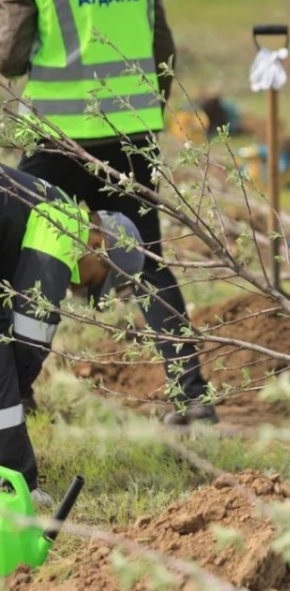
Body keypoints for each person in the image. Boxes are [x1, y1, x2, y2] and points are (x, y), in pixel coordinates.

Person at [0, 0, 217, 424]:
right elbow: (162, 50)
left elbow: (9, 55)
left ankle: (16, 394)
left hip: (56, 133)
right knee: (148, 267)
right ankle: (191, 395)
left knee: (21, 251)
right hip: (129, 133)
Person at [0, 164, 144, 502]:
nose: (78, 288)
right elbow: (30, 334)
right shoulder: (64, 224)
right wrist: (16, 390)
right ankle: (13, 485)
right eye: (95, 280)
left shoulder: (47, 200)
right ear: (98, 242)